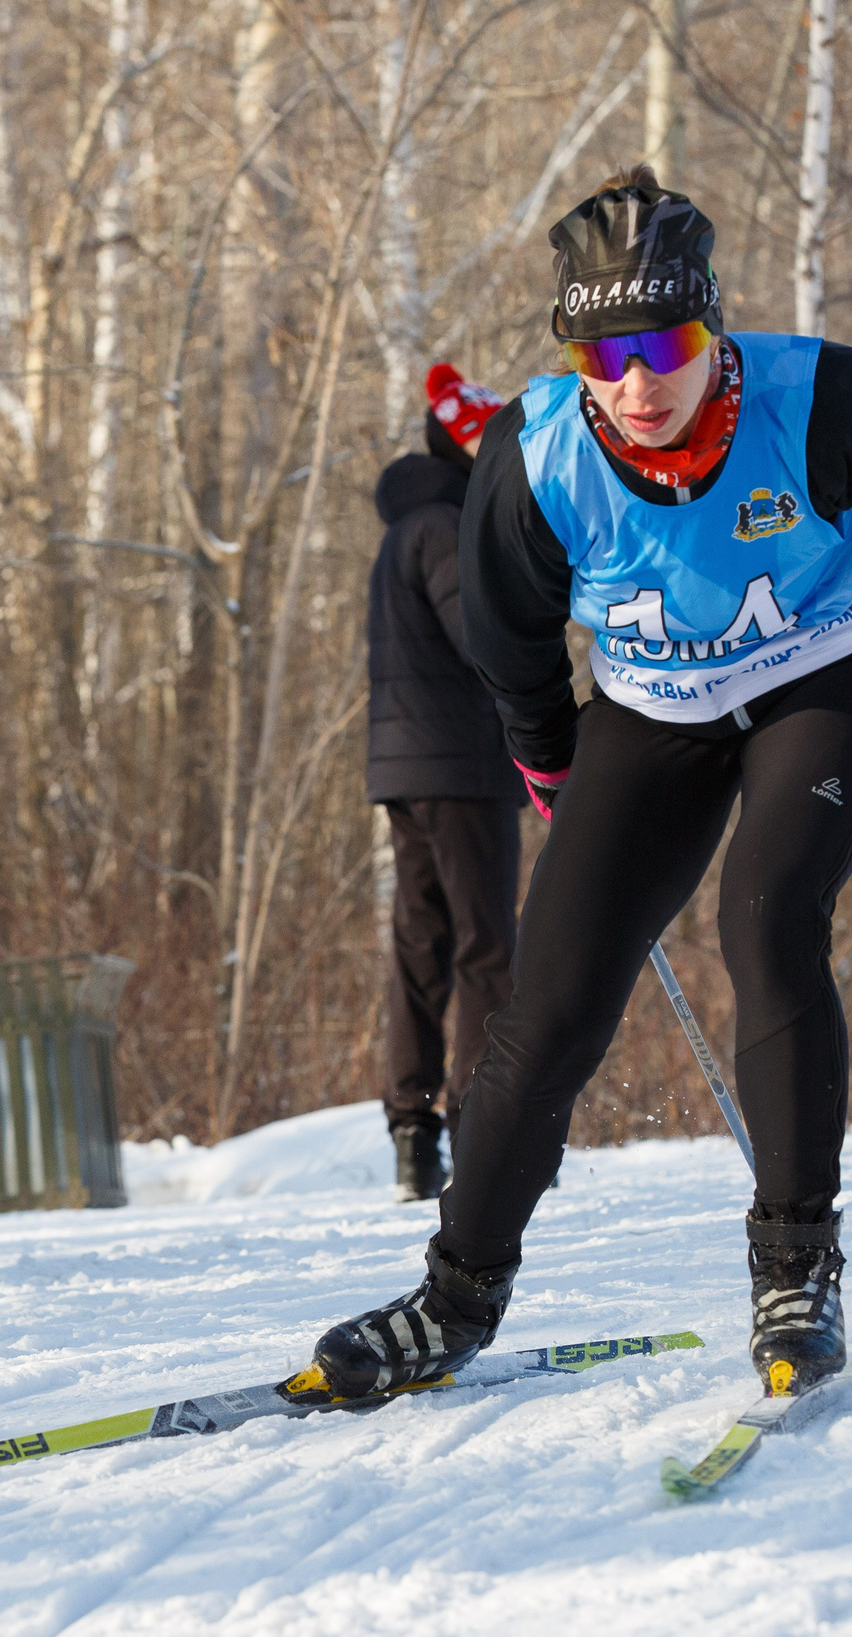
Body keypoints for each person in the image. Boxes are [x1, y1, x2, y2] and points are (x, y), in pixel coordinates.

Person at [304, 165, 852, 1400]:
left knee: (768, 916)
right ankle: (453, 1298)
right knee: (553, 993)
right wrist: (547, 758)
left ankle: (796, 1267)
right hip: (654, 708)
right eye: (601, 354)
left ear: (713, 324)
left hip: (829, 674)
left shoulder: (823, 401)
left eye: (664, 342)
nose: (635, 382)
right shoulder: (533, 458)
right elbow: (510, 642)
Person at [368, 363, 522, 1201]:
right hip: (463, 765)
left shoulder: (406, 528)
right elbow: (483, 639)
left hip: (405, 767)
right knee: (485, 943)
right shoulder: (446, 529)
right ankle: (480, 1122)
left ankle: (413, 1130)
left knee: (422, 941)